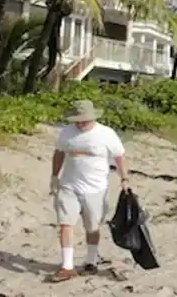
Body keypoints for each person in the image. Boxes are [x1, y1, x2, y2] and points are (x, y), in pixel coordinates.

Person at [48, 100, 129, 282]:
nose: (80, 124)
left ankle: (91, 261)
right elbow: (59, 152)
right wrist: (54, 176)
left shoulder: (106, 134)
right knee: (65, 223)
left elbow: (119, 156)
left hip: (95, 189)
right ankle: (67, 266)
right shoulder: (67, 133)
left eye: (84, 120)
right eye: (77, 120)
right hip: (69, 186)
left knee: (92, 226)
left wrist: (124, 179)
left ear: (93, 118)